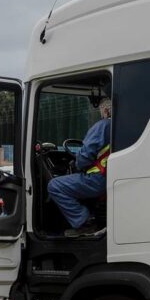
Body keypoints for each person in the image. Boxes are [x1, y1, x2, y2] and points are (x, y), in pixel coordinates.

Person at [46, 98, 112, 237]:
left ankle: (86, 223)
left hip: (96, 179)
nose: (102, 115)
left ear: (106, 111)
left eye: (102, 112)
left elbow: (84, 156)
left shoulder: (103, 125)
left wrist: (77, 164)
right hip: (110, 177)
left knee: (54, 185)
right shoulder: (123, 126)